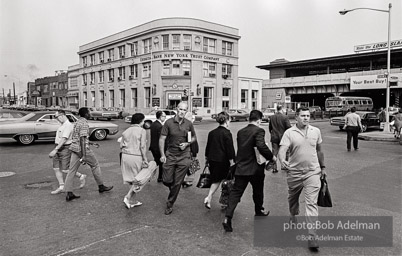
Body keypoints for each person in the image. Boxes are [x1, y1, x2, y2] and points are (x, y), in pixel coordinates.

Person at [278, 107, 326, 250]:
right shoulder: (289, 133)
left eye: (308, 115)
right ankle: (293, 214)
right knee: (293, 198)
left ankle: (312, 236)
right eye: (303, 116)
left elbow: (319, 150)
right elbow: (282, 150)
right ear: (296, 118)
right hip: (295, 173)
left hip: (313, 172)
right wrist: (282, 160)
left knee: (311, 203)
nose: (306, 118)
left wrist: (323, 168)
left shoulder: (315, 131)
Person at [222, 110, 275, 232]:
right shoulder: (259, 130)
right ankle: (258, 210)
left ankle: (227, 217)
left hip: (241, 167)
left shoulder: (241, 132)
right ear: (259, 120)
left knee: (235, 193)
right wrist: (271, 157)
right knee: (257, 190)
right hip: (255, 168)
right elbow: (261, 146)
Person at [64, 107, 113, 201]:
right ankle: (101, 186)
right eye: (89, 112)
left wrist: (90, 143)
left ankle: (69, 192)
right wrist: (84, 155)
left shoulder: (77, 122)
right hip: (82, 149)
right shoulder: (84, 123)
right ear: (86, 114)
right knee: (95, 165)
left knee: (71, 171)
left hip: (74, 147)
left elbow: (78, 137)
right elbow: (82, 139)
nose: (90, 114)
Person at [159, 102, 197, 215]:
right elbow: (162, 139)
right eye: (180, 109)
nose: (182, 112)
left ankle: (170, 203)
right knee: (166, 180)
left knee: (178, 182)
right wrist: (162, 155)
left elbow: (193, 137)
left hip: (184, 156)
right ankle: (174, 189)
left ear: (186, 111)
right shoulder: (168, 123)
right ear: (176, 109)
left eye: (184, 110)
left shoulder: (188, 124)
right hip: (170, 154)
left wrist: (187, 143)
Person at [48, 110, 86, 194]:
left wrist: (55, 150)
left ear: (62, 115)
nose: (56, 119)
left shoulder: (68, 125)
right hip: (58, 146)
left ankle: (81, 176)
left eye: (57, 117)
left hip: (65, 148)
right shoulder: (62, 125)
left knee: (65, 169)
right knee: (56, 168)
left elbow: (64, 139)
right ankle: (61, 186)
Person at [204, 111, 236, 209]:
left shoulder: (212, 133)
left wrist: (207, 159)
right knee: (225, 181)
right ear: (226, 121)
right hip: (223, 161)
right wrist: (232, 162)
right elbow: (230, 149)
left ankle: (213, 198)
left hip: (213, 160)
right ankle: (219, 200)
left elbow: (208, 147)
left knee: (216, 180)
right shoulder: (227, 133)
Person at [120, 113, 149, 208]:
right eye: (143, 120)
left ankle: (132, 200)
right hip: (136, 156)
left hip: (125, 156)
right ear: (141, 121)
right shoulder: (142, 131)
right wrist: (145, 159)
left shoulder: (126, 131)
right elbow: (143, 146)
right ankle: (128, 197)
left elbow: (121, 145)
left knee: (130, 179)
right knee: (138, 179)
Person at [268, 105, 291, 173]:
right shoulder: (285, 117)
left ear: (276, 109)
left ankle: (274, 168)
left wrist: (272, 134)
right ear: (282, 109)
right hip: (283, 137)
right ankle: (284, 166)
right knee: (286, 152)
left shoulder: (272, 117)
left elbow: (270, 128)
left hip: (274, 137)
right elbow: (288, 127)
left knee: (274, 153)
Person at [182, 110, 199, 188]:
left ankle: (184, 179)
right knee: (191, 166)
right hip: (190, 151)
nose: (193, 119)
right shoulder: (189, 128)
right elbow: (191, 141)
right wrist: (194, 151)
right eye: (191, 117)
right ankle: (187, 181)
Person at [149, 111, 167, 182]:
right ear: (160, 117)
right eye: (164, 116)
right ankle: (159, 177)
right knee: (160, 163)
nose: (165, 118)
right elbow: (161, 139)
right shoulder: (159, 126)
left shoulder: (153, 124)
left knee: (157, 162)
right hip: (158, 148)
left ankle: (153, 176)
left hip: (153, 146)